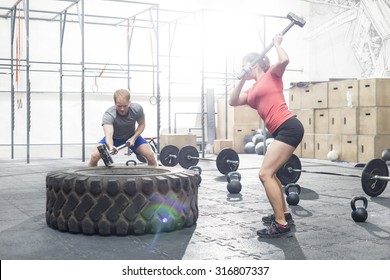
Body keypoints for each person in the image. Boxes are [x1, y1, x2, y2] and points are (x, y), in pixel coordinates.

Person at [229, 34, 304, 238]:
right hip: (281, 130)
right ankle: (284, 215)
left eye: (245, 65)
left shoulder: (273, 74)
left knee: (265, 174)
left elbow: (284, 60)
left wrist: (277, 44)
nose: (243, 68)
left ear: (254, 63)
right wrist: (243, 77)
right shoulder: (251, 90)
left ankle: (280, 224)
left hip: (289, 126)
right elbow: (232, 101)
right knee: (273, 174)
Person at [88, 88, 157, 167]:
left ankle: (155, 179)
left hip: (131, 136)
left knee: (151, 155)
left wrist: (133, 138)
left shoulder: (137, 109)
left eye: (125, 106)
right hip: (114, 138)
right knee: (94, 156)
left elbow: (142, 124)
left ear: (129, 102)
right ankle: (92, 178)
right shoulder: (109, 114)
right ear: (115, 103)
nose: (122, 109)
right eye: (119, 106)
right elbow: (109, 135)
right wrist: (110, 146)